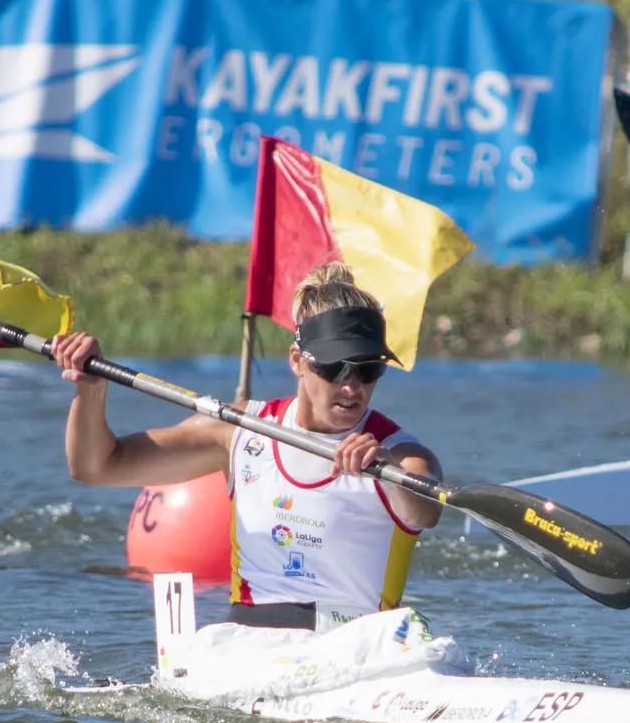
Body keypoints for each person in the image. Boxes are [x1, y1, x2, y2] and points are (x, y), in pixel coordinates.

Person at [53, 263, 441, 629]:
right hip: (252, 646)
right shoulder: (239, 431)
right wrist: (91, 390)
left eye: (368, 369)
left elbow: (425, 512)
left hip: (362, 650)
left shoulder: (401, 453)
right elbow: (96, 466)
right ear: (297, 361)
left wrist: (388, 472)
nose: (351, 386)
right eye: (333, 367)